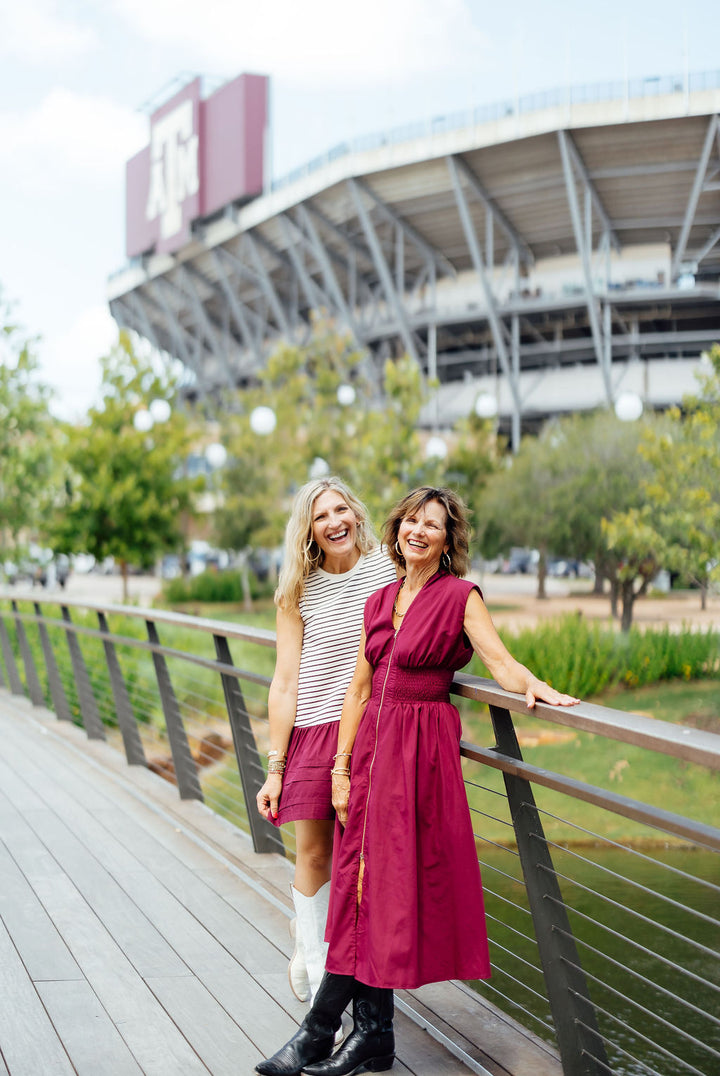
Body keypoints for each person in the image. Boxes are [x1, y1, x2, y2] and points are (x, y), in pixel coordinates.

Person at [255, 486, 580, 1076]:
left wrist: (536, 687)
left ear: (447, 540)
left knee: (372, 892)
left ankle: (321, 1037)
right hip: (369, 753)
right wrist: (340, 769)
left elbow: (500, 662)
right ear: (398, 529)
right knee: (358, 890)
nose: (420, 532)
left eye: (433, 525)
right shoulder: (380, 599)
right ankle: (369, 1037)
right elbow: (357, 688)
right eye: (411, 521)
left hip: (416, 760)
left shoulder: (460, 596)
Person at [256, 477, 396, 1012]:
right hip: (315, 730)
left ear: (357, 514)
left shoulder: (389, 568)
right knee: (314, 852)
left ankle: (344, 976)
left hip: (373, 730)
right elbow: (284, 680)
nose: (334, 521)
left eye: (342, 510)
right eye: (321, 516)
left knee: (364, 865)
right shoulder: (297, 588)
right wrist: (276, 766)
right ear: (308, 529)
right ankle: (318, 983)